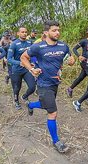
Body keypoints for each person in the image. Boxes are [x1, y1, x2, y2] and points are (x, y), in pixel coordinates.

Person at [20, 20, 75, 153]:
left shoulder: (63, 46)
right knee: (52, 112)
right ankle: (56, 141)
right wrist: (31, 70)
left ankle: (30, 105)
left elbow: (69, 59)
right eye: (54, 30)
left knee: (44, 104)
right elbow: (23, 57)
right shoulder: (38, 47)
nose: (57, 32)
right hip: (43, 84)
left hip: (55, 83)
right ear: (46, 32)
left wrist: (71, 61)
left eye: (58, 30)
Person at [66, 27, 88, 105]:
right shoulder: (84, 41)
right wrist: (79, 56)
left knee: (81, 77)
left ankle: (70, 89)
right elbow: (74, 49)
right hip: (84, 62)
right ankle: (87, 96)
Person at [7, 26, 36, 110]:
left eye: (25, 32)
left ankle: (24, 96)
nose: (24, 33)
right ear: (18, 33)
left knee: (32, 87)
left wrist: (33, 63)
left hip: (27, 69)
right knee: (17, 88)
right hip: (16, 70)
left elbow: (33, 54)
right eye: (22, 32)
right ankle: (16, 100)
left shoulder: (30, 43)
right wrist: (19, 63)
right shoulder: (14, 44)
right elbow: (9, 59)